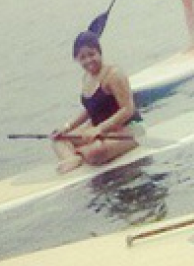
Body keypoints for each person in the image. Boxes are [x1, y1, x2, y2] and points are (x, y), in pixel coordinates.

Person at [50, 31, 142, 174]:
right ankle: (74, 158)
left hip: (127, 129)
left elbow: (128, 109)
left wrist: (99, 129)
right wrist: (67, 128)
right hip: (98, 128)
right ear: (77, 59)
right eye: (82, 57)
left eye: (92, 54)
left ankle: (78, 155)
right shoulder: (86, 77)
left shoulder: (114, 75)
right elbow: (90, 109)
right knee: (58, 139)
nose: (88, 61)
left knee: (96, 152)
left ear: (99, 52)